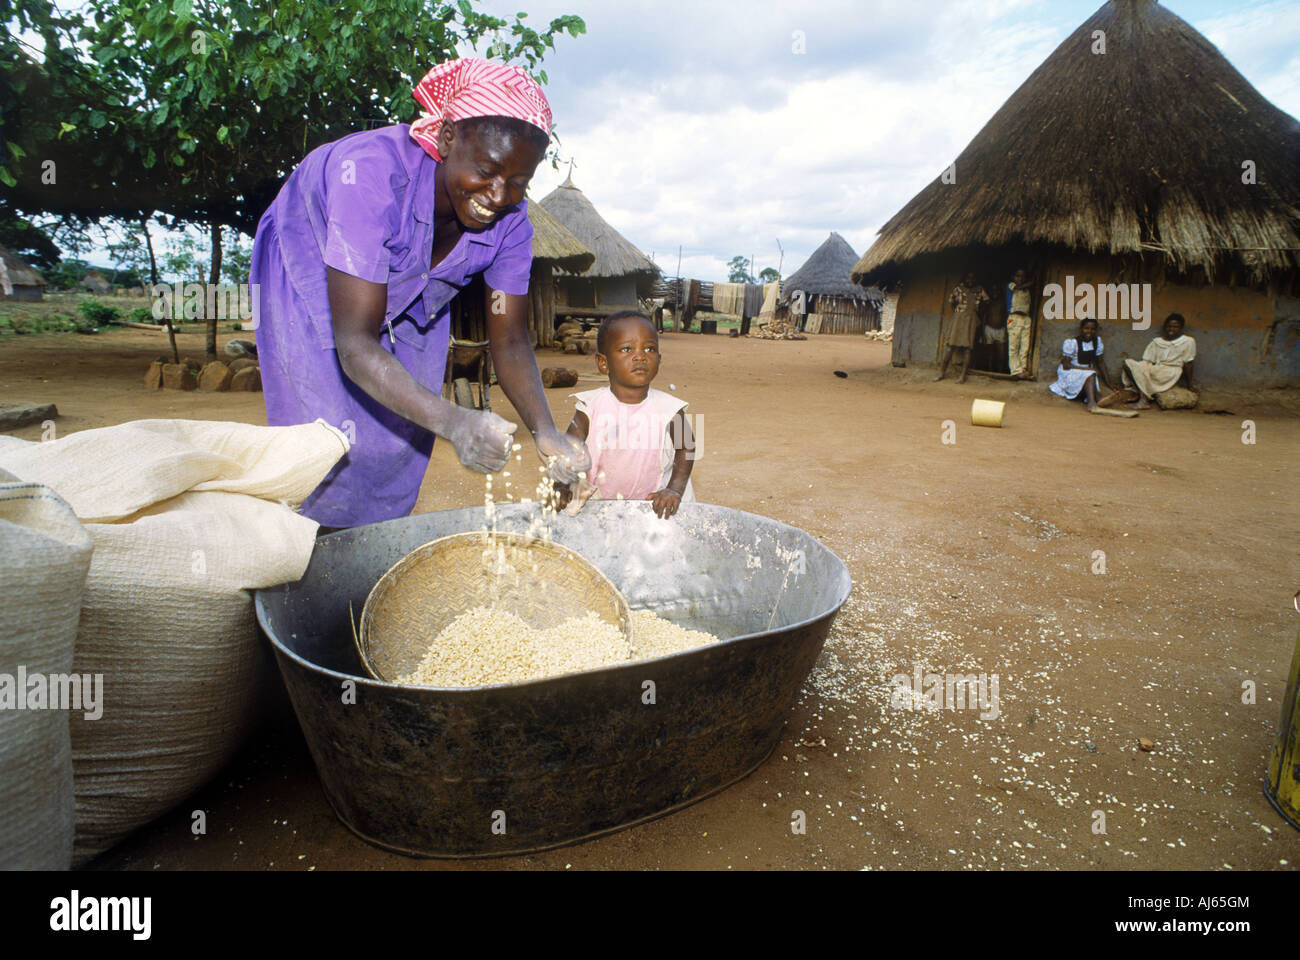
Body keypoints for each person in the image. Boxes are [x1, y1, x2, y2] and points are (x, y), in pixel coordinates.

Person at [249, 58, 589, 529]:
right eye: (487, 171)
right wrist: (457, 423)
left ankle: (373, 544)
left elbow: (509, 339)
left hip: (416, 296)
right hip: (309, 267)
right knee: (323, 433)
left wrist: (546, 432)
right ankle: (308, 550)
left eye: (517, 182)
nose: (497, 195)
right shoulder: (368, 175)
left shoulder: (512, 225)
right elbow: (355, 344)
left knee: (404, 432)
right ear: (448, 139)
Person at [560, 311, 696, 519]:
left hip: (656, 504)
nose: (640, 356)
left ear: (659, 359)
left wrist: (674, 489)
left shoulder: (669, 409)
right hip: (598, 504)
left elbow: (688, 446)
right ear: (603, 363)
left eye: (649, 349)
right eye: (626, 349)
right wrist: (561, 483)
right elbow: (568, 448)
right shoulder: (590, 407)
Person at [1120, 313, 1197, 409]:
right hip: (1156, 368)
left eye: (1175, 327)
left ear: (1181, 328)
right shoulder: (1157, 341)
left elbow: (1188, 364)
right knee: (1128, 364)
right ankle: (1141, 394)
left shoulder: (1188, 341)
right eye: (1169, 326)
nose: (1171, 329)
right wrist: (1143, 370)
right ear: (1165, 327)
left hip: (1170, 371)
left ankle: (1143, 400)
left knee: (1142, 370)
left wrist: (1190, 385)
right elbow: (1148, 361)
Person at [1049, 318, 1114, 410]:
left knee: (1090, 375)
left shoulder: (1097, 342)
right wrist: (1088, 370)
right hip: (1071, 371)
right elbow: (1066, 365)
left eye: (1093, 329)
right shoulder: (1073, 343)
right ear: (1081, 329)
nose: (1089, 331)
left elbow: (1101, 362)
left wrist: (1109, 383)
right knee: (1090, 374)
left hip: (1086, 372)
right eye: (1086, 328)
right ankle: (1092, 403)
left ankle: (1098, 398)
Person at [934, 272, 988, 383]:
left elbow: (986, 302)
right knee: (950, 346)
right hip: (958, 319)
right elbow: (951, 302)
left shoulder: (979, 290)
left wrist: (977, 314)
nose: (970, 280)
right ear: (964, 278)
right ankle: (941, 373)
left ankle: (962, 376)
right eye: (968, 278)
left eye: (973, 278)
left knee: (968, 349)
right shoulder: (958, 289)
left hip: (971, 320)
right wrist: (959, 313)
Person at [1005, 268, 1034, 378]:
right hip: (1014, 317)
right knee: (1014, 346)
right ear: (1013, 277)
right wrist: (1031, 282)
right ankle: (1016, 370)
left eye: (1023, 276)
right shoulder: (1011, 285)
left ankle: (1023, 368)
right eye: (1017, 276)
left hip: (1026, 318)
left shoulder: (1026, 290)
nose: (1020, 278)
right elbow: (1018, 287)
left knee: (1024, 345)